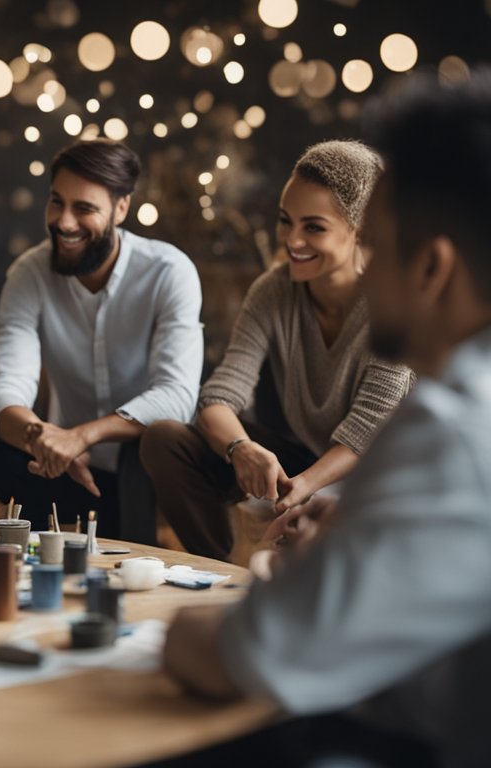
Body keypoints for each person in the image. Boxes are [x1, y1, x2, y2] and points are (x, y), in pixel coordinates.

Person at [161, 70, 491, 768]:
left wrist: (198, 617)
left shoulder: (452, 427)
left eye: (379, 245)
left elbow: (237, 656)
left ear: (430, 266)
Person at [141, 141, 413, 561]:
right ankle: (223, 570)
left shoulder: (395, 300)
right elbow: (218, 398)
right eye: (286, 221)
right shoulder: (272, 291)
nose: (292, 240)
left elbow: (366, 435)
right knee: (164, 439)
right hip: (306, 458)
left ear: (360, 230)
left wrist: (302, 489)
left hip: (378, 473)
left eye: (313, 227)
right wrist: (241, 448)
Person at [0, 139, 203, 542]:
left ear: (121, 208)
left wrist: (82, 435)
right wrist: (41, 437)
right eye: (56, 202)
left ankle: (133, 567)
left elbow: (177, 396)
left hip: (148, 472)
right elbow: (3, 389)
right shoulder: (27, 275)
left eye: (84, 208)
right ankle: (31, 566)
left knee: (150, 444)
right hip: (66, 468)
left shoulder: (169, 272)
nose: (64, 222)